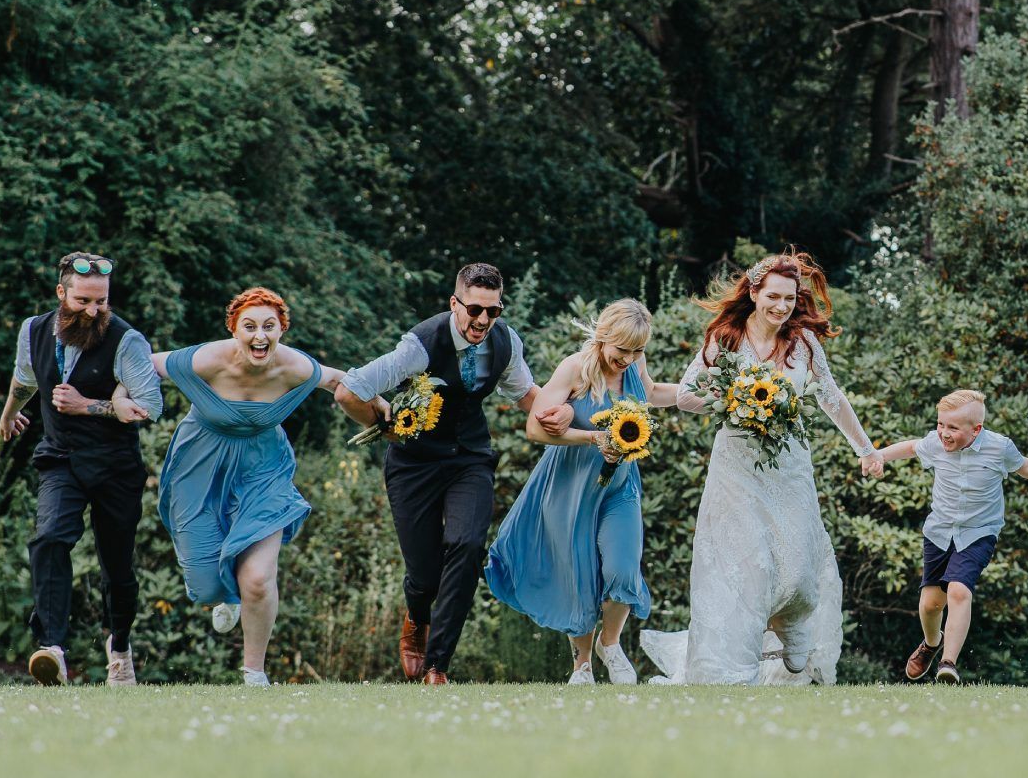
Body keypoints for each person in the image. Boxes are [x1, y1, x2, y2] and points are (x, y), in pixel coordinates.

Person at [640, 251, 880, 686]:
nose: (781, 306)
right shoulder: (725, 338)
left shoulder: (804, 344)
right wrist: (734, 397)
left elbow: (830, 396)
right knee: (745, 560)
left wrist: (865, 448)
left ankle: (793, 622)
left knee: (800, 560)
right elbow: (689, 395)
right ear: (753, 293)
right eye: (773, 297)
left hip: (789, 465)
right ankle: (732, 667)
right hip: (736, 466)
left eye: (789, 299)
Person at [334, 263, 567, 684]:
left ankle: (437, 665)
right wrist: (380, 423)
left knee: (468, 543)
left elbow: (524, 395)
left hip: (470, 459)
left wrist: (572, 418)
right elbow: (349, 390)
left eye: (493, 312)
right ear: (455, 303)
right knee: (423, 575)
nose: (483, 321)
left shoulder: (505, 342)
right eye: (475, 310)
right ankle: (416, 620)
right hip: (414, 464)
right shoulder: (420, 345)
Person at [123, 288, 345, 686]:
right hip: (200, 465)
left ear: (282, 330)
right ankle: (224, 596)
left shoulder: (295, 367)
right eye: (250, 326)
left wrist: (380, 404)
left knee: (258, 579)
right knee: (204, 584)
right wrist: (120, 396)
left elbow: (340, 381)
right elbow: (140, 364)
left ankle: (254, 674)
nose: (260, 336)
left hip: (264, 468)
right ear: (233, 330)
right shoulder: (207, 359)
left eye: (269, 327)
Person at [486, 300, 682, 685]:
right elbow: (535, 429)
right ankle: (582, 665)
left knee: (623, 566)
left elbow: (653, 391)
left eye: (637, 351)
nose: (628, 358)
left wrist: (699, 393)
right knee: (577, 575)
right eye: (621, 349)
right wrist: (593, 437)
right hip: (569, 487)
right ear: (604, 338)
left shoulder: (634, 365)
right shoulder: (575, 368)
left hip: (620, 486)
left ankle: (610, 645)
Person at [0, 251, 162, 686]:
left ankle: (120, 648)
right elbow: (25, 377)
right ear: (61, 293)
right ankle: (52, 646)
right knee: (49, 536)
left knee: (117, 568)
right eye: (83, 301)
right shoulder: (34, 330)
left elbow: (151, 407)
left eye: (101, 302)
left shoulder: (127, 340)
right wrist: (9, 411)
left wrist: (90, 406)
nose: (93, 311)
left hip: (115, 466)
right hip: (61, 458)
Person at [869, 390, 1028, 684]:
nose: (944, 433)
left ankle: (949, 663)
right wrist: (879, 455)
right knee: (930, 605)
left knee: (959, 590)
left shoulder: (999, 448)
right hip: (939, 531)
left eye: (953, 428)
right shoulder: (935, 443)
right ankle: (932, 644)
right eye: (941, 425)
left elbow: (1025, 467)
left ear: (976, 430)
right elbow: (910, 447)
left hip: (979, 532)